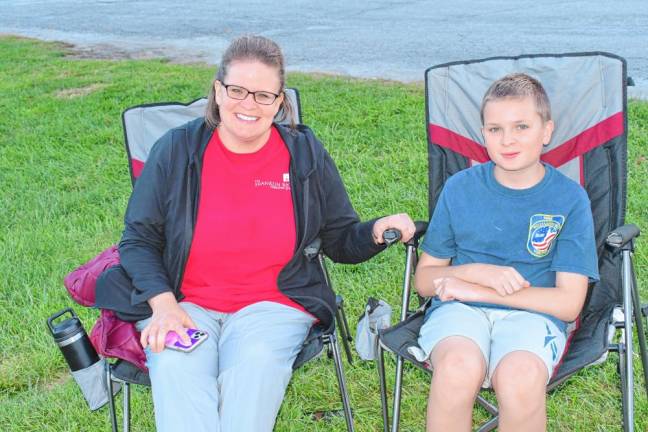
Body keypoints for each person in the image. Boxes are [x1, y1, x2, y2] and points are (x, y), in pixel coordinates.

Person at [95, 35, 415, 432]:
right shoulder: (176, 150)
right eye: (237, 90)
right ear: (217, 90)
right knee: (177, 368)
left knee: (254, 370)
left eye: (264, 95)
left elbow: (338, 237)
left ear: (280, 102)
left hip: (275, 305)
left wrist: (373, 232)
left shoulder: (303, 153)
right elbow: (139, 239)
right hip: (184, 301)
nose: (248, 105)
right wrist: (163, 306)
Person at [410, 73, 599, 432]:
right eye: (495, 129)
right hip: (459, 312)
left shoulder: (569, 199)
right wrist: (477, 273)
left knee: (520, 377)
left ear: (546, 131)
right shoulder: (460, 189)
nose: (507, 140)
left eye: (521, 127)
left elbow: (569, 303)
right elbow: (424, 280)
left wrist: (479, 291)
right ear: (483, 134)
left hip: (533, 316)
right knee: (456, 369)